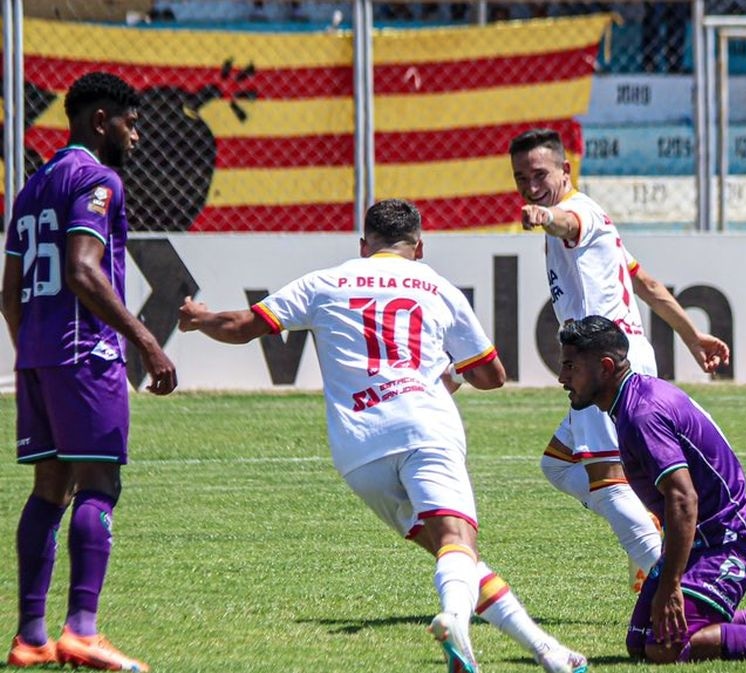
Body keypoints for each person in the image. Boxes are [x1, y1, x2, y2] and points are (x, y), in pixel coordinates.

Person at [177, 199, 588, 673]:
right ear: (420, 246)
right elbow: (492, 374)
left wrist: (200, 318)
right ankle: (456, 620)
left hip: (359, 452)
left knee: (452, 556)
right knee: (458, 541)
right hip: (423, 426)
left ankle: (547, 652)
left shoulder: (325, 281)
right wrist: (448, 375)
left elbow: (243, 327)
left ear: (362, 245)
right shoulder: (435, 285)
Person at [2, 72, 178, 672]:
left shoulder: (31, 187)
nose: (136, 134)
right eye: (130, 123)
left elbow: (8, 292)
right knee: (99, 484)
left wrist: (32, 352)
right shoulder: (98, 180)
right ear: (101, 121)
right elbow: (82, 269)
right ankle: (81, 629)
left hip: (38, 355)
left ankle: (30, 637)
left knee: (49, 489)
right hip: (86, 353)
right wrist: (147, 340)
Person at [555, 315, 746, 665]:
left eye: (570, 367)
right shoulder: (631, 400)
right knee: (639, 642)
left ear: (605, 367)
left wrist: (670, 585)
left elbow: (683, 499)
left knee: (663, 648)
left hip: (728, 540)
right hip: (698, 539)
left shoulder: (642, 414)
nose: (562, 378)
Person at [509, 128, 731, 593]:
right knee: (558, 465)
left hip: (603, 366)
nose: (530, 187)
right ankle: (648, 523)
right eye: (520, 178)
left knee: (607, 478)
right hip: (619, 358)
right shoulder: (601, 218)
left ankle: (673, 581)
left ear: (566, 170)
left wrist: (545, 216)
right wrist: (692, 337)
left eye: (540, 175)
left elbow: (564, 223)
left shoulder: (577, 216)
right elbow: (645, 282)